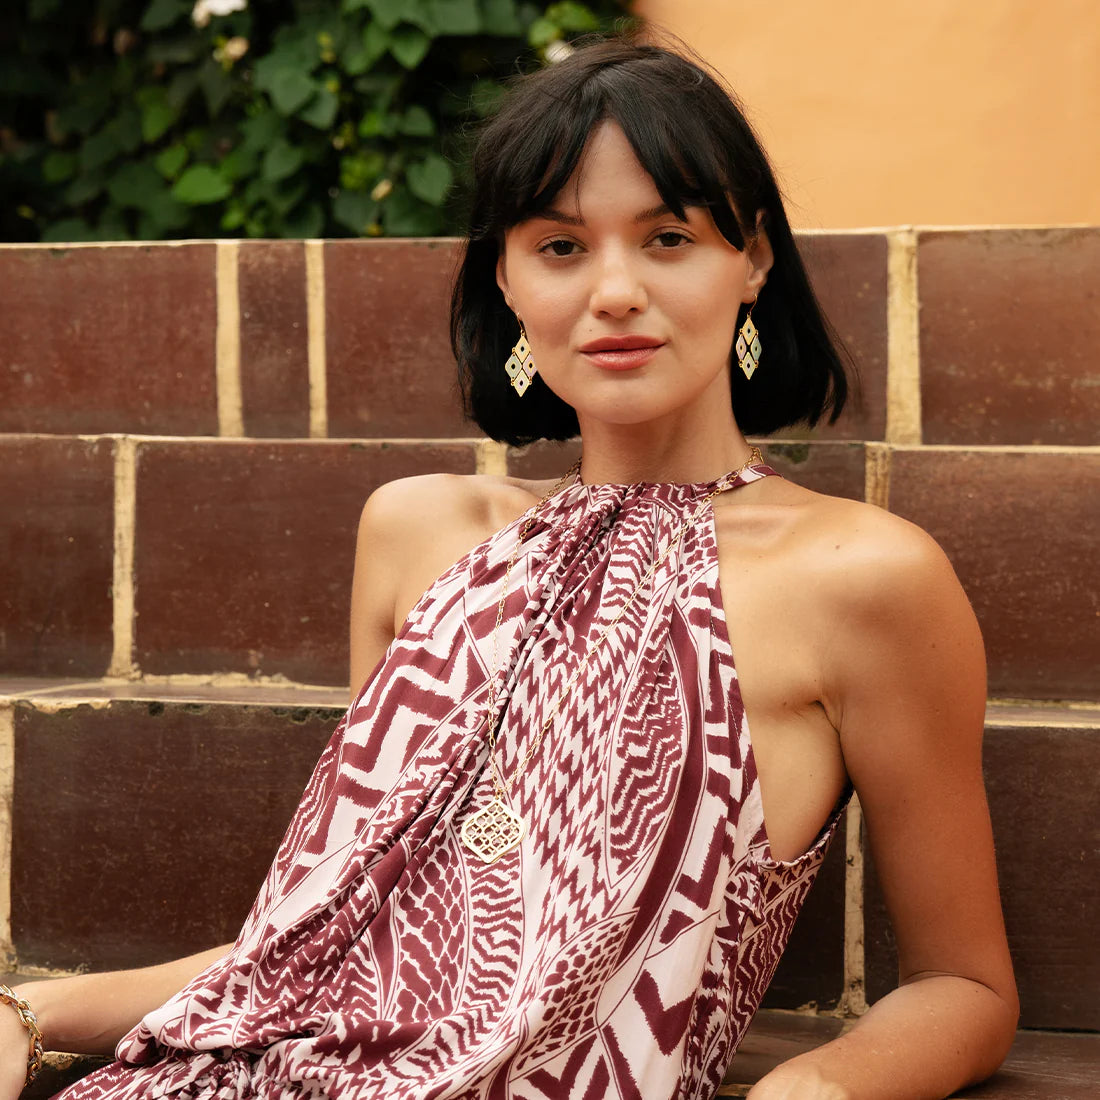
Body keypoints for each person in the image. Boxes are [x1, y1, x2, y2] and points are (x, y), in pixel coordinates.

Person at [1, 36, 1017, 1100]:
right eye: (561, 246)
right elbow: (334, 947)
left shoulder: (864, 577)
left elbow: (964, 985)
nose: (614, 289)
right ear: (507, 275)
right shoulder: (416, 528)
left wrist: (805, 1090)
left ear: (750, 258)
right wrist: (29, 1010)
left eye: (667, 236)